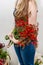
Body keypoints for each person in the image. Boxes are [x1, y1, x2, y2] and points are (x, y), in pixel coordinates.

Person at [8, 0, 39, 65]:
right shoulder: (18, 1)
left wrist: (17, 41)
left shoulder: (31, 2)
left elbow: (32, 29)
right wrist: (12, 31)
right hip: (17, 40)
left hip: (27, 43)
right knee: (21, 63)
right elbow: (17, 20)